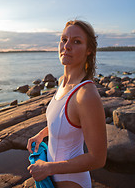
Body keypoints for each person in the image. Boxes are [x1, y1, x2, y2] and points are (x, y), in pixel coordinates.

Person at [27, 20, 107, 188]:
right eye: (64, 39)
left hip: (72, 181)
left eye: (76, 41)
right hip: (51, 178)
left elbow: (98, 158)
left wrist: (48, 168)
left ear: (89, 50)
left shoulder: (86, 95)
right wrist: (42, 134)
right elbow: (66, 120)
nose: (67, 46)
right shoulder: (63, 82)